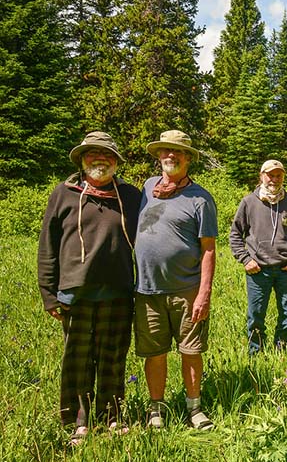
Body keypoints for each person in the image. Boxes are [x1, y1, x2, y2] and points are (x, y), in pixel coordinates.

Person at [37, 132, 141, 444]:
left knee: (113, 357)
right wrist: (48, 292)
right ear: (82, 160)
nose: (100, 159)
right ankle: (78, 420)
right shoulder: (64, 193)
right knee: (78, 358)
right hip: (75, 292)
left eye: (107, 155)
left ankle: (112, 416)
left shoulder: (130, 196)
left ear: (116, 161)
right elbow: (47, 245)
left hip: (119, 290)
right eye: (93, 154)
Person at [134, 130, 217, 431]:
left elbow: (208, 249)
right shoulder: (146, 188)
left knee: (191, 351)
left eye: (178, 152)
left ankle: (194, 408)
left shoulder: (200, 199)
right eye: (166, 151)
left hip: (187, 289)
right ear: (158, 156)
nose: (172, 156)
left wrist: (204, 293)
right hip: (147, 289)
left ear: (188, 159)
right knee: (154, 353)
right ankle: (156, 408)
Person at [229, 159, 287, 355]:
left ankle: (283, 350)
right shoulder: (249, 202)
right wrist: (246, 260)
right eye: (270, 175)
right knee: (256, 314)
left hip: (286, 269)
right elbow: (235, 234)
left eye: (278, 175)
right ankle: (256, 352)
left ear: (283, 177)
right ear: (261, 176)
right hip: (258, 270)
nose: (274, 179)